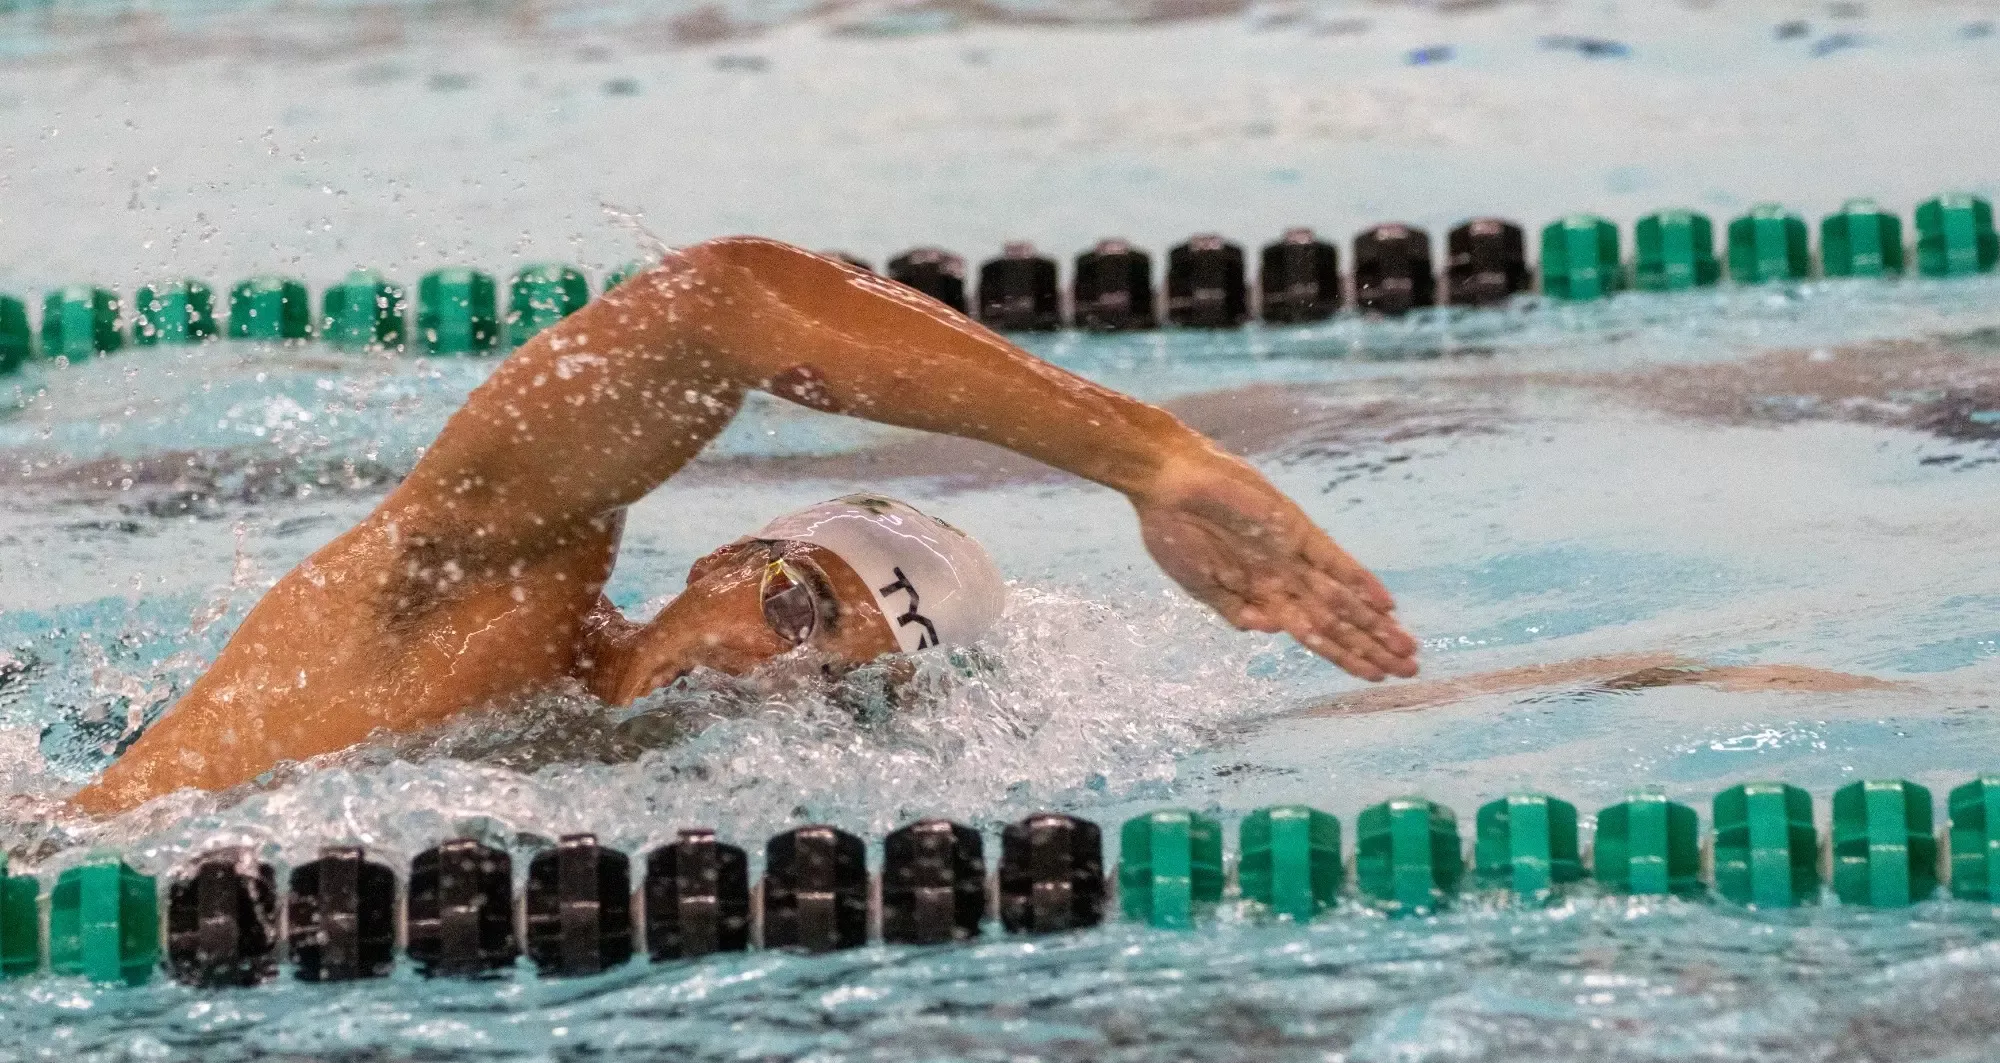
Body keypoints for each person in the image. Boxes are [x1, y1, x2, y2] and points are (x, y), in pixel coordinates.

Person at [68, 237, 1422, 814]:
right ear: (724, 558)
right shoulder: (495, 589)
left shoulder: (666, 793)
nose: (776, 665)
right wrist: (1151, 461)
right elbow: (724, 302)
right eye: (791, 603)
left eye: (833, 670)